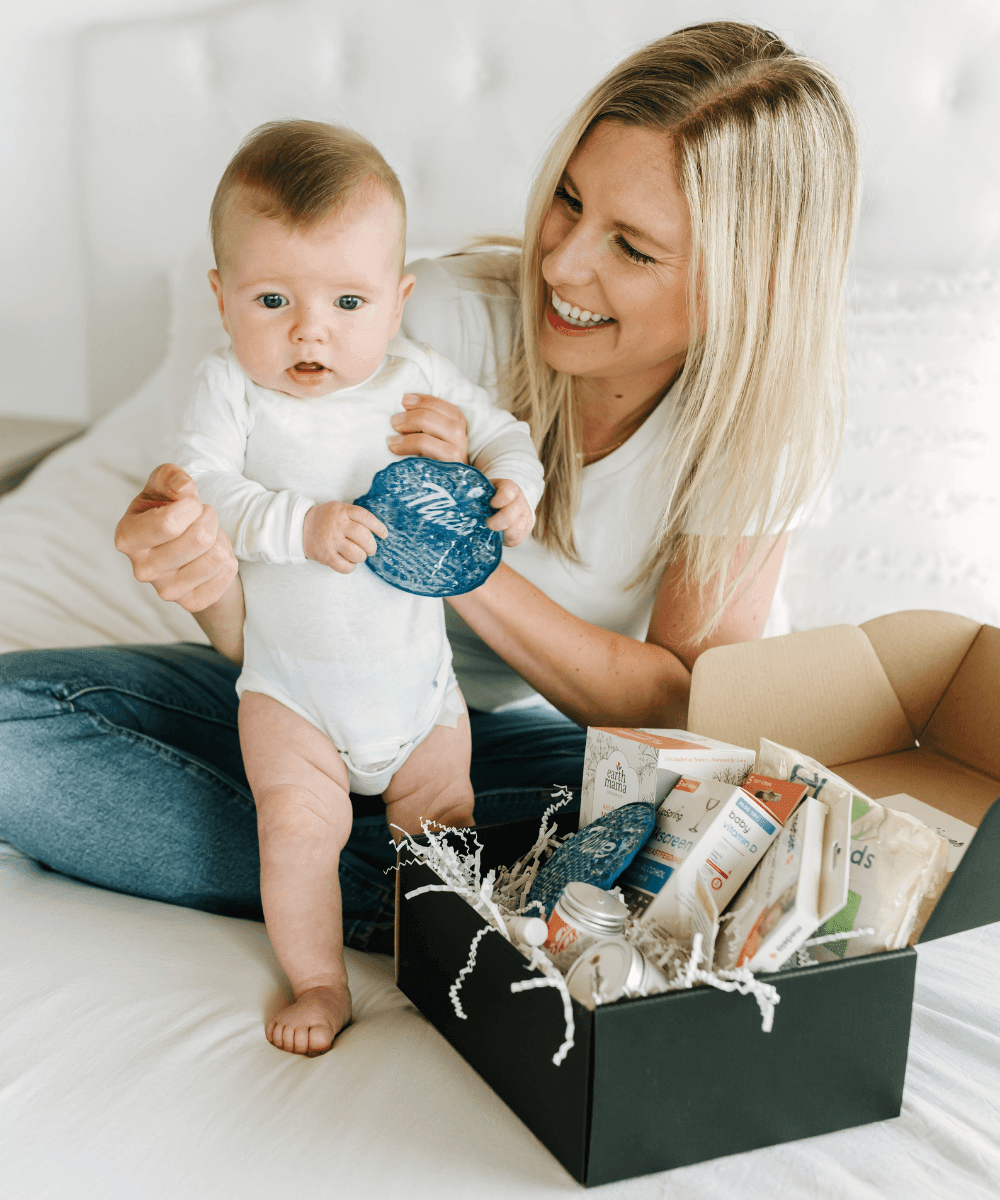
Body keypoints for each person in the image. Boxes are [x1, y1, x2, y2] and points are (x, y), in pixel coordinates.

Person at [0, 21, 859, 981]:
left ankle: (363, 883)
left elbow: (679, 711)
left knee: (665, 819)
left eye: (632, 247)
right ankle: (449, 904)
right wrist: (204, 575)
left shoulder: (757, 427)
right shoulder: (421, 324)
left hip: (484, 742)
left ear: (746, 283)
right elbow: (271, 632)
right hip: (306, 696)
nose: (564, 265)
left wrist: (445, 543)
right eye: (568, 201)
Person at [175, 120, 543, 1055]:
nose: (311, 329)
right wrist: (300, 524)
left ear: (397, 300)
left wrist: (510, 487)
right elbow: (207, 491)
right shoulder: (231, 392)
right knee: (295, 832)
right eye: (271, 298)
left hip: (421, 701)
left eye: (347, 300)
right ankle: (320, 978)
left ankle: (441, 964)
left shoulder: (416, 379)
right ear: (221, 299)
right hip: (293, 700)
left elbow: (502, 432)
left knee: (444, 828)